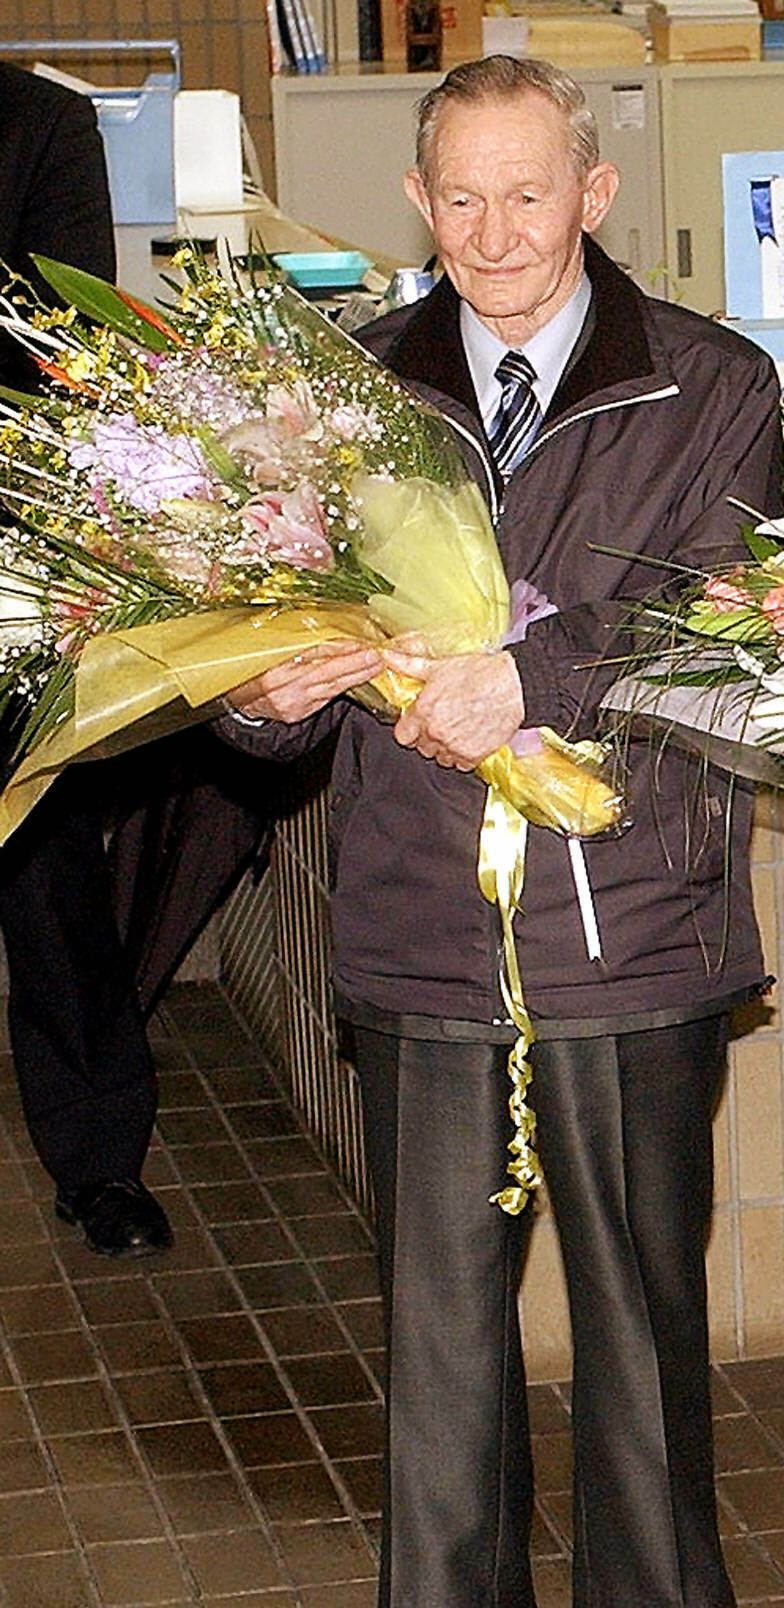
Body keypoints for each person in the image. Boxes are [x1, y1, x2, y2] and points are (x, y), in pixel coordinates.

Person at [220, 56, 784, 1608]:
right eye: (457, 196)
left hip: (634, 899)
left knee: (643, 1282)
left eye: (525, 191)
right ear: (417, 201)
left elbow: (724, 623)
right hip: (422, 904)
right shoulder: (342, 394)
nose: (491, 230)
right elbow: (260, 646)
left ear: (595, 194)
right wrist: (254, 705)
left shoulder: (710, 382)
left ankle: (675, 1607)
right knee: (444, 1295)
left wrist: (533, 685)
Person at [0, 60, 280, 1258]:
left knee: (47, 863)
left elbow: (59, 347)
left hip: (9, 543)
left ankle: (100, 1154)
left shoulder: (42, 125)